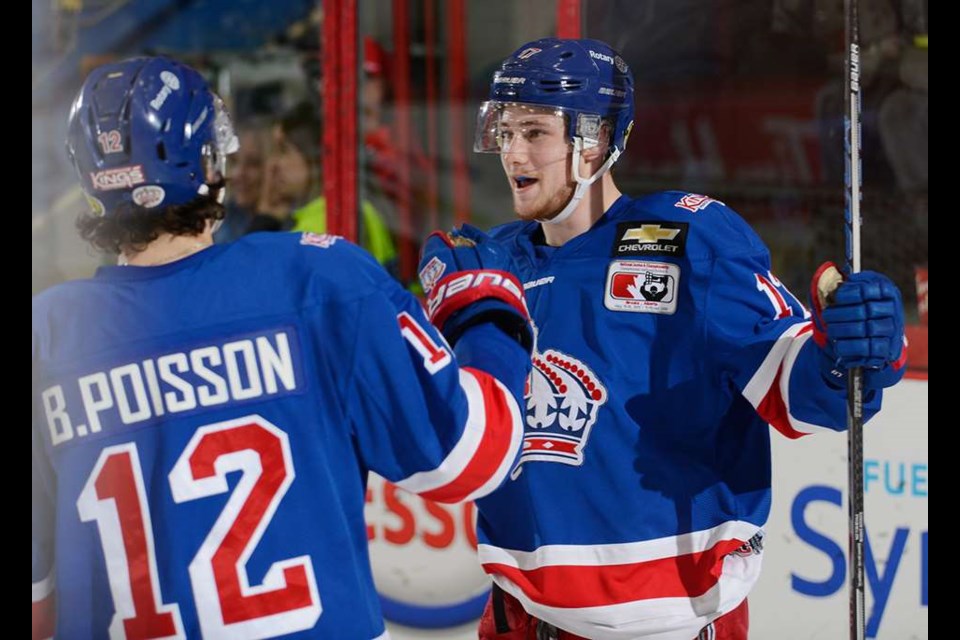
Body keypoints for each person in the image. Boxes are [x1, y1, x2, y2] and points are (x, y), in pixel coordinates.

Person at [418, 38, 908, 640]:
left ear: (594, 140)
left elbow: (797, 389)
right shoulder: (493, 265)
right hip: (520, 617)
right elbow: (443, 443)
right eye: (505, 130)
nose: (513, 151)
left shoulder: (690, 240)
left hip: (670, 625)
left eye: (535, 132)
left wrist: (850, 350)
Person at [33, 56, 534, 639]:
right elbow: (473, 457)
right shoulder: (317, 280)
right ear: (209, 160)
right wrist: (487, 314)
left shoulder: (48, 336)